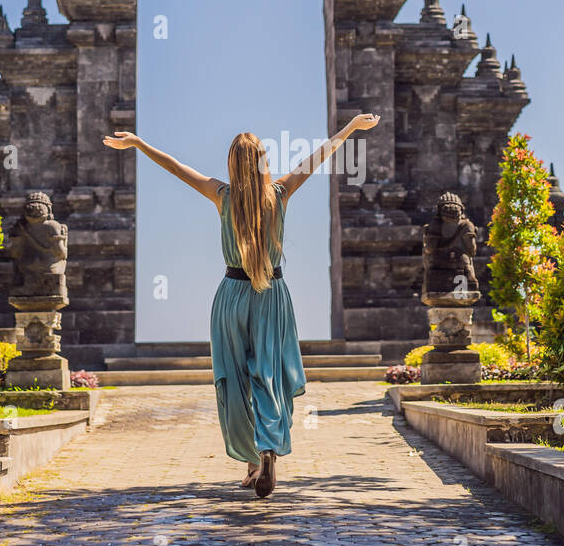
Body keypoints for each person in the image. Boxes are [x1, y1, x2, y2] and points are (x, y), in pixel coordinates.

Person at [103, 113, 380, 498]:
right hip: (272, 296)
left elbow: (177, 168)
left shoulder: (222, 196)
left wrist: (138, 144)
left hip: (231, 296)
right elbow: (318, 158)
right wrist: (350, 128)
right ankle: (266, 450)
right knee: (268, 376)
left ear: (232, 163)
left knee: (235, 380)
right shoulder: (280, 193)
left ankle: (252, 461)